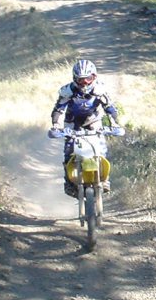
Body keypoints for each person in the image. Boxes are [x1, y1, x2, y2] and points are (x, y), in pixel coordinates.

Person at [49, 58, 121, 196]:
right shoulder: (67, 91)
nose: (85, 83)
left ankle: (105, 179)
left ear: (94, 76)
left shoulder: (100, 90)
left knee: (102, 149)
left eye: (88, 78)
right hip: (72, 123)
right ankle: (69, 182)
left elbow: (110, 108)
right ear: (75, 78)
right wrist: (56, 126)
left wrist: (114, 124)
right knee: (69, 151)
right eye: (81, 80)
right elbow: (58, 109)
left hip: (93, 121)